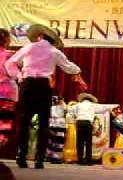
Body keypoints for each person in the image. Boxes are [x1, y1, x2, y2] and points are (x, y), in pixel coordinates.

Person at [5, 24, 86, 169]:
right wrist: (77, 70)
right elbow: (70, 68)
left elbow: (10, 63)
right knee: (43, 123)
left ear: (40, 36)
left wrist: (18, 76)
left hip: (27, 84)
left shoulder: (29, 47)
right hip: (43, 85)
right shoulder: (54, 51)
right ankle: (39, 159)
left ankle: (21, 156)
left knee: (24, 121)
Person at [72, 93, 113, 165]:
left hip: (79, 122)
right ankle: (88, 161)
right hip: (87, 123)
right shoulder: (92, 105)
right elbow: (103, 108)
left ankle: (80, 160)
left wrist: (78, 116)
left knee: (79, 142)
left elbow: (71, 111)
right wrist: (112, 107)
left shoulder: (78, 105)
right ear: (91, 100)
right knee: (88, 142)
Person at [0, 28, 17, 180]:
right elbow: (14, 74)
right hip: (6, 95)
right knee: (3, 128)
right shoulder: (11, 56)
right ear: (7, 41)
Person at [47, 96, 66, 164]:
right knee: (55, 140)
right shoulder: (56, 107)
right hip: (56, 125)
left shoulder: (60, 107)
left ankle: (54, 155)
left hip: (58, 125)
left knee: (57, 140)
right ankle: (54, 156)